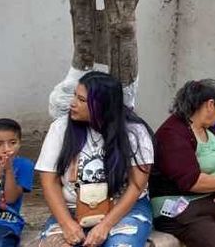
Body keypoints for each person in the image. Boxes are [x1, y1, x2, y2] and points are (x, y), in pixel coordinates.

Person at [35, 72, 154, 247]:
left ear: (103, 105)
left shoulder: (135, 132)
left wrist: (105, 225)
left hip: (124, 209)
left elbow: (137, 185)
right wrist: (67, 224)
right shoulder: (60, 128)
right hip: (72, 209)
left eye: (82, 100)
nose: (73, 103)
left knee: (120, 245)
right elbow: (48, 181)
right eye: (75, 96)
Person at [151, 79, 215, 247]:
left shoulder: (211, 128)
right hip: (182, 208)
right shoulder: (172, 133)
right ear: (210, 105)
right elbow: (191, 181)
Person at [0, 119, 33, 247]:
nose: (6, 149)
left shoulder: (24, 165)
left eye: (13, 143)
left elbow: (11, 199)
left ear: (20, 143)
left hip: (5, 222)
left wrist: (8, 170)